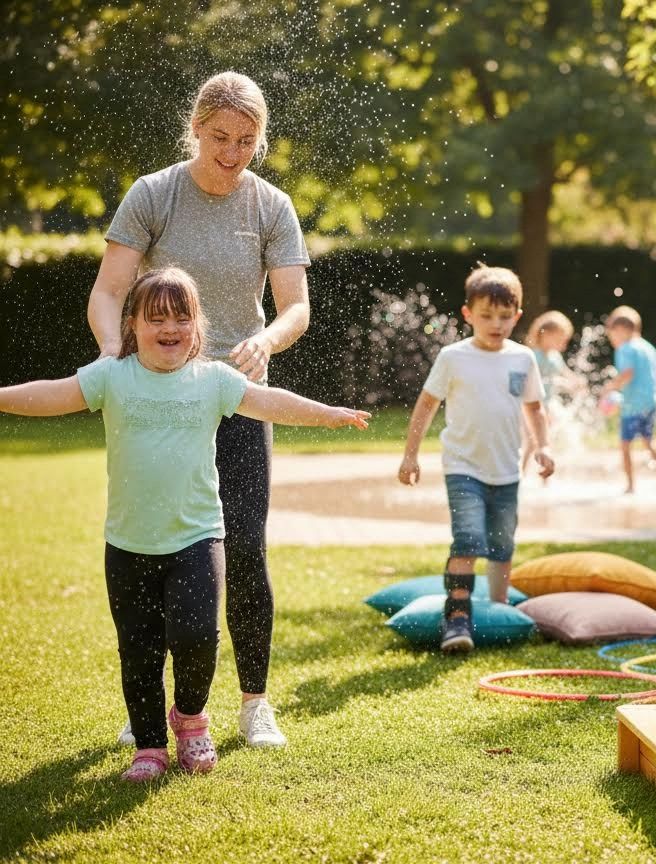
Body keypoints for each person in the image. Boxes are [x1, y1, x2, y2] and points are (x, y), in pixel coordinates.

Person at [1, 268, 369, 781]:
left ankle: (191, 718)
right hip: (128, 543)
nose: (169, 326)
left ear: (198, 327)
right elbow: (52, 394)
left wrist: (327, 413)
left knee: (197, 635)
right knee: (139, 648)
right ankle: (149, 746)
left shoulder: (213, 381)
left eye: (182, 316)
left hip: (197, 537)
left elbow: (270, 402)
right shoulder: (112, 376)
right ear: (132, 324)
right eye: (156, 317)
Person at [86, 71, 311, 748]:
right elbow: (109, 291)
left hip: (237, 395)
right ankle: (149, 715)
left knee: (244, 547)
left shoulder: (271, 205)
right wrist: (111, 354)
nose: (233, 151)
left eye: (246, 140)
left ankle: (254, 704)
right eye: (220, 137)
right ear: (196, 129)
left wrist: (266, 337)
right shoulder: (155, 194)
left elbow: (295, 305)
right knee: (152, 551)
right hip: (160, 399)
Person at [398, 264, 555, 653]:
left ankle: (499, 612)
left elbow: (535, 408)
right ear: (468, 314)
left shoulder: (523, 359)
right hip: (462, 467)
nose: (495, 324)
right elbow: (426, 404)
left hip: (506, 469)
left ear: (517, 317)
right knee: (468, 539)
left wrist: (544, 446)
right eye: (486, 316)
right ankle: (457, 619)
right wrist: (410, 455)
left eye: (505, 317)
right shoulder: (454, 357)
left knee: (503, 545)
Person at [602, 314, 656, 493]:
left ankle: (630, 485)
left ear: (621, 330)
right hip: (651, 401)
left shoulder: (625, 349)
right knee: (648, 439)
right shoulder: (647, 346)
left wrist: (609, 388)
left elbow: (627, 373)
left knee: (625, 444)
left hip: (633, 404)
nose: (612, 340)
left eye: (612, 335)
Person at [521, 309, 584, 472]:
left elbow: (564, 374)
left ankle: (545, 474)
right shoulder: (534, 356)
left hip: (548, 405)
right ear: (546, 334)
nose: (564, 345)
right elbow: (531, 381)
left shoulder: (555, 356)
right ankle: (521, 472)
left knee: (546, 439)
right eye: (561, 339)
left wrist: (575, 383)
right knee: (531, 440)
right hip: (533, 407)